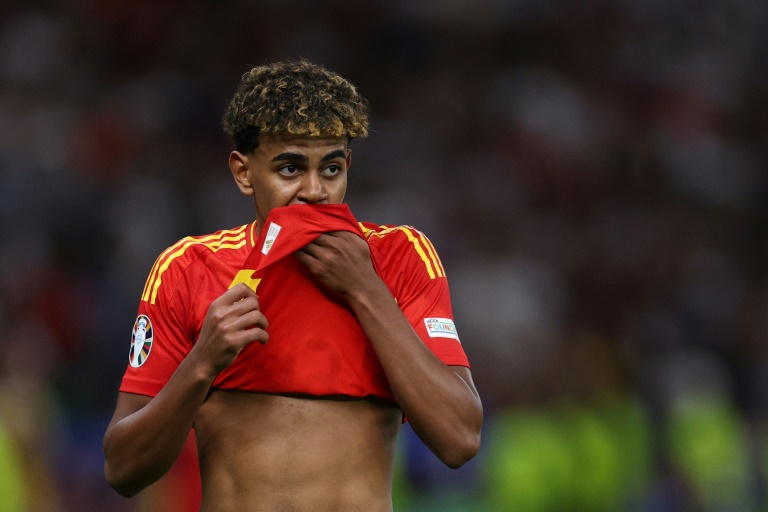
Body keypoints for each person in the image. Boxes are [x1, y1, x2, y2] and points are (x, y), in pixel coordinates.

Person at [103, 59, 482, 512]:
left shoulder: (399, 258)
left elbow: (459, 439)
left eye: (331, 168)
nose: (314, 192)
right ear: (244, 173)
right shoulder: (189, 267)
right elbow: (123, 470)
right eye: (289, 169)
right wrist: (202, 362)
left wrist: (365, 290)